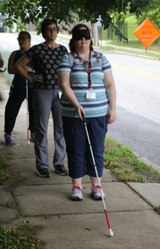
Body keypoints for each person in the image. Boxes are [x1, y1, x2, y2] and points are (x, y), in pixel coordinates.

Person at [57, 24, 117, 201]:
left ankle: (96, 185)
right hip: (74, 114)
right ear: (73, 40)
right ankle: (77, 186)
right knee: (76, 149)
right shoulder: (67, 59)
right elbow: (64, 85)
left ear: (90, 39)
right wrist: (76, 104)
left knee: (97, 150)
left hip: (98, 114)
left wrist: (112, 108)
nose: (83, 39)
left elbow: (110, 85)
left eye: (86, 36)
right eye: (79, 36)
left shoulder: (101, 58)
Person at [14, 18, 69, 177]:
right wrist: (31, 78)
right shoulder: (37, 50)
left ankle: (59, 163)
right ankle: (42, 165)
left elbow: (69, 70)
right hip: (42, 91)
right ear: (44, 32)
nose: (52, 31)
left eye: (54, 29)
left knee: (61, 128)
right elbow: (19, 66)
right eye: (49, 29)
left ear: (57, 31)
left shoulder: (63, 50)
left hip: (60, 92)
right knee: (41, 128)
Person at [4, 31, 36, 144]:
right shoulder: (15, 54)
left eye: (23, 38)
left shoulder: (35, 53)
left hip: (32, 85)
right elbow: (11, 69)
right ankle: (8, 132)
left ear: (29, 39)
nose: (21, 41)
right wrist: (21, 68)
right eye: (19, 38)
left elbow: (41, 69)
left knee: (33, 110)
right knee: (11, 109)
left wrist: (31, 70)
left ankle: (34, 132)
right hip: (18, 85)